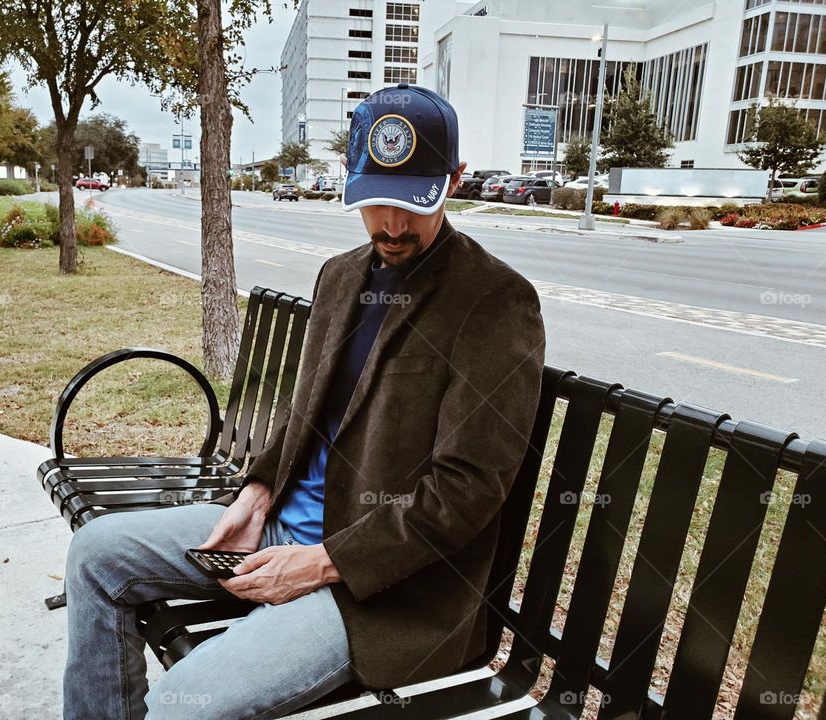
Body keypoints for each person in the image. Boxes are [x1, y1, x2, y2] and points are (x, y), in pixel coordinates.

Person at [62, 83, 546, 720]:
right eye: (377, 202)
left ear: (454, 180)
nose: (393, 226)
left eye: (414, 205)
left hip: (376, 587)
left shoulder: (494, 301)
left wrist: (323, 562)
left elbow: (467, 490)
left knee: (183, 704)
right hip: (279, 530)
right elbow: (305, 409)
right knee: (95, 557)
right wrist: (257, 493)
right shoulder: (340, 276)